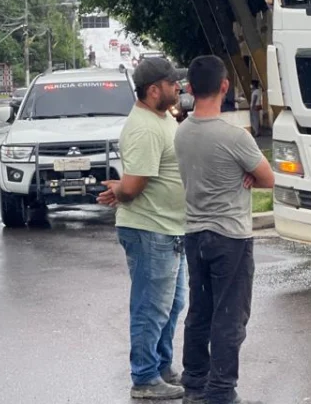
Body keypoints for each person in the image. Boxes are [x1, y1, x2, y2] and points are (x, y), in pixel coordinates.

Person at [174, 56, 275, 404]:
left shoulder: (181, 133)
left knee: (200, 311)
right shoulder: (235, 137)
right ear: (224, 87)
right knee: (230, 316)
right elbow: (268, 178)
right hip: (230, 237)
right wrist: (244, 174)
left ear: (189, 88)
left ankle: (195, 383)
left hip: (194, 233)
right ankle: (221, 392)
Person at [97, 57, 189, 400]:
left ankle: (162, 367)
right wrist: (119, 190)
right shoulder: (144, 128)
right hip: (150, 230)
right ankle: (145, 377)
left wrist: (119, 189)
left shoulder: (162, 118)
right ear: (154, 90)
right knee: (151, 306)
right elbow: (134, 186)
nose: (177, 87)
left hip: (170, 229)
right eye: (171, 83)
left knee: (172, 303)